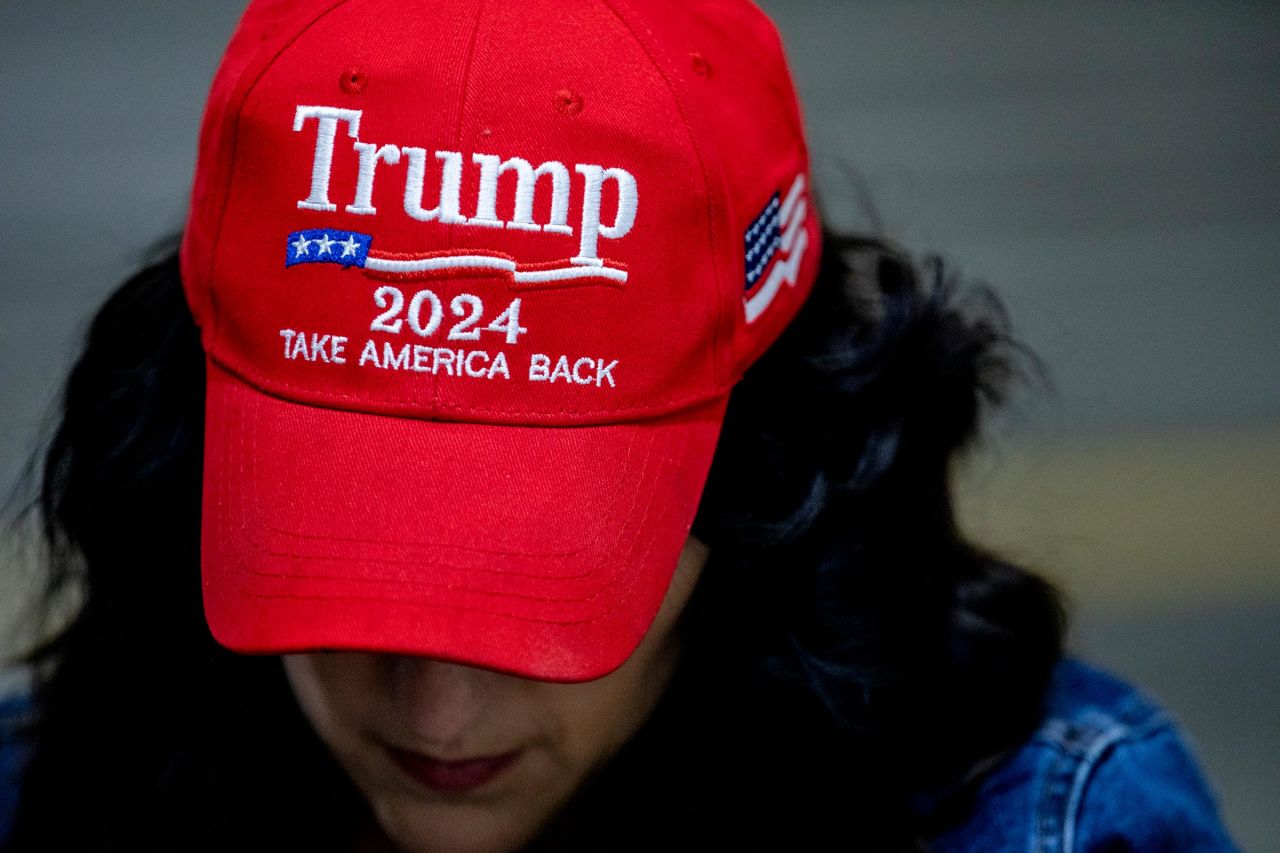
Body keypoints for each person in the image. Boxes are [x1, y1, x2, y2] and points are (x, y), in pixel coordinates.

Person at [0, 1, 1242, 851]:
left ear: (767, 493)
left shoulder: (1042, 825)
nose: (436, 714)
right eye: (346, 571)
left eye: (541, 588)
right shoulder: (42, 798)